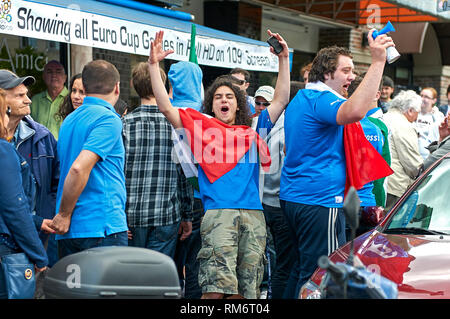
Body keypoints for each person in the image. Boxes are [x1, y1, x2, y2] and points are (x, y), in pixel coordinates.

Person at [149, 29, 290, 299]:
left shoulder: (254, 127)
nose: (224, 100)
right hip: (218, 215)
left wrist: (283, 59)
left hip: (253, 216)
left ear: (239, 105)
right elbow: (166, 108)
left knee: (244, 293)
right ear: (211, 106)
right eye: (218, 97)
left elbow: (281, 99)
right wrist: (154, 66)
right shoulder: (199, 127)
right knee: (213, 291)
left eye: (229, 97)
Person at [279, 30, 395, 298]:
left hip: (294, 198)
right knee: (322, 275)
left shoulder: (302, 99)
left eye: (353, 71)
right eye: (346, 71)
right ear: (327, 74)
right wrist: (378, 61)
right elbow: (354, 112)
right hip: (320, 202)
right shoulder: (322, 99)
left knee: (299, 270)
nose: (352, 77)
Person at [50, 60, 128, 258]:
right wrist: (64, 214)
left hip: (71, 232)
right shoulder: (108, 119)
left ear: (84, 87)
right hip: (101, 227)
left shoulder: (69, 120)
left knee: (74, 290)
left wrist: (65, 215)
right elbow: (78, 168)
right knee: (107, 290)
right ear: (117, 88)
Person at [122, 61, 193, 259]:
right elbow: (184, 174)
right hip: (166, 214)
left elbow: (115, 173)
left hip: (130, 216)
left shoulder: (123, 125)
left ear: (134, 86)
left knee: (129, 277)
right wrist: (187, 215)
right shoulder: (176, 124)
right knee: (157, 278)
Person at [0, 70, 59, 267]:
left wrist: (42, 220)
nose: (28, 101)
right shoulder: (3, 148)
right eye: (19, 95)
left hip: (38, 238)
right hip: (8, 245)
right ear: (2, 100)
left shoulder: (43, 137)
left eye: (27, 94)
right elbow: (13, 207)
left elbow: (56, 184)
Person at [0, 89, 48, 299]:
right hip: (7, 250)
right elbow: (14, 208)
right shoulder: (3, 151)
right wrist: (39, 256)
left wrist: (37, 221)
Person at [383, 90, 423, 210]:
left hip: (378, 182)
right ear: (410, 110)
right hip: (394, 185)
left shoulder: (383, 117)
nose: (417, 117)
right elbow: (412, 163)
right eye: (417, 112)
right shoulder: (404, 125)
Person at [31, 60, 69, 139]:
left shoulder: (71, 100)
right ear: (44, 77)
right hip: (39, 149)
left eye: (58, 72)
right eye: (49, 72)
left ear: (65, 77)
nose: (54, 75)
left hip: (63, 149)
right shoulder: (34, 101)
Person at [416, 87, 444, 159]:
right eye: (421, 95)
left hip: (429, 156)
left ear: (434, 100)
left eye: (426, 97)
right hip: (413, 155)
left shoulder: (439, 116)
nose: (422, 99)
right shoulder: (413, 113)